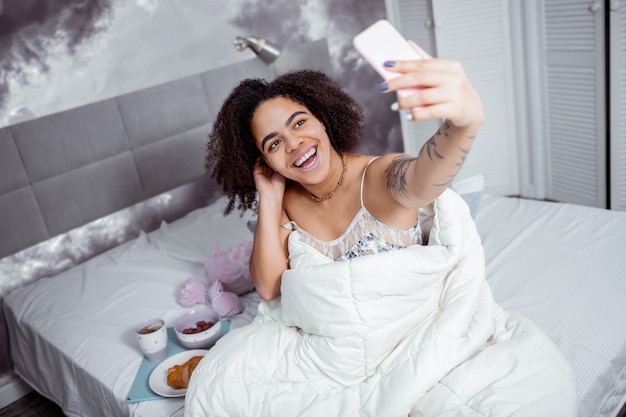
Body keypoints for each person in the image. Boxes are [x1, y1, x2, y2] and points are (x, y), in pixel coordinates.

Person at [206, 42, 484, 302]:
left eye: (299, 123)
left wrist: (463, 126)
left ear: (322, 119)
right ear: (266, 162)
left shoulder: (379, 174)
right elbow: (269, 289)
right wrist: (268, 198)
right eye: (274, 143)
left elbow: (424, 182)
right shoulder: (285, 203)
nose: (294, 144)